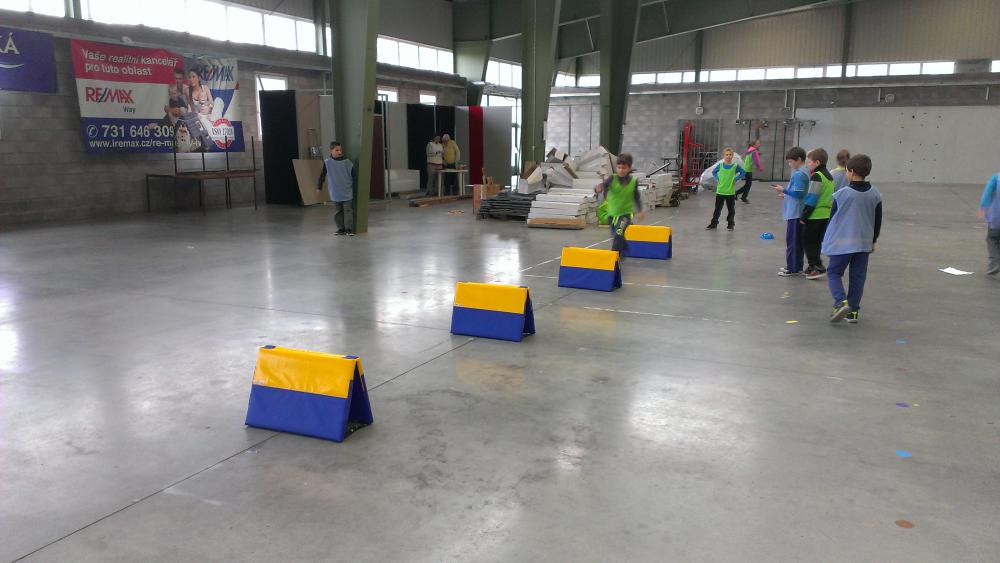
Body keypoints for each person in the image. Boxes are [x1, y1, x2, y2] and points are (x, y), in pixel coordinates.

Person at [823, 154, 882, 323]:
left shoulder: (841, 194)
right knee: (858, 277)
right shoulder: (875, 194)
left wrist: (827, 238)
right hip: (864, 243)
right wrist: (873, 240)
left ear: (852, 172)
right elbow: (877, 220)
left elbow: (832, 219)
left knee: (834, 272)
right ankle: (853, 311)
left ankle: (840, 302)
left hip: (842, 242)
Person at [771, 147, 810, 276]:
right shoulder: (804, 172)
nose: (790, 164)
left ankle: (792, 267)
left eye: (791, 161)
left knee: (793, 242)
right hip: (798, 211)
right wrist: (786, 195)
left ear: (798, 159)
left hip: (795, 213)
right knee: (797, 241)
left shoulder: (799, 174)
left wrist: (783, 190)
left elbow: (798, 194)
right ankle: (797, 266)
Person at [595, 153, 644, 255]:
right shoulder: (612, 179)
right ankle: (624, 247)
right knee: (617, 235)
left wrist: (640, 210)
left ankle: (613, 257)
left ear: (629, 168)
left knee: (618, 232)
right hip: (612, 214)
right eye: (619, 167)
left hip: (626, 214)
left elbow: (636, 196)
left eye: (624, 168)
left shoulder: (633, 181)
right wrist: (598, 189)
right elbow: (603, 186)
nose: (621, 170)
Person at [801, 148, 836, 280]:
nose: (807, 164)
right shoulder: (829, 176)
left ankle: (817, 266)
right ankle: (813, 266)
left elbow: (812, 197)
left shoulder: (817, 176)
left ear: (817, 162)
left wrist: (804, 215)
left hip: (814, 215)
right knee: (816, 242)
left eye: (809, 162)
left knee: (809, 242)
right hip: (825, 215)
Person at [317, 141, 357, 236]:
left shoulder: (347, 162)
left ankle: (348, 229)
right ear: (331, 151)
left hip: (346, 191)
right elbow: (322, 175)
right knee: (338, 212)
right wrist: (319, 186)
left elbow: (354, 175)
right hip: (335, 192)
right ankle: (341, 229)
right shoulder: (327, 163)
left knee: (348, 211)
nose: (339, 152)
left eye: (340, 150)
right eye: (337, 150)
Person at [705, 147, 745, 230]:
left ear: (732, 156)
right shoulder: (720, 165)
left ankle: (730, 224)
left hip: (730, 192)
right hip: (720, 192)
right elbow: (714, 172)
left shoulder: (735, 166)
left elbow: (743, 172)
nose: (728, 156)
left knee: (731, 210)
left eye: (730, 155)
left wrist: (736, 178)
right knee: (717, 209)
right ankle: (714, 224)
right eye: (727, 154)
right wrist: (717, 178)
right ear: (724, 156)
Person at [977, 170, 1000, 275]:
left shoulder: (996, 178)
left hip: (996, 219)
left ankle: (995, 262)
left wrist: (982, 208)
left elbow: (987, 194)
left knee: (992, 239)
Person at [735, 139, 763, 203]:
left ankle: (743, 197)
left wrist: (758, 153)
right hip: (748, 170)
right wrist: (760, 167)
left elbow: (752, 156)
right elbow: (756, 161)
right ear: (754, 144)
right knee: (748, 185)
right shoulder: (754, 151)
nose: (759, 144)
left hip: (746, 169)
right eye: (758, 143)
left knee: (748, 185)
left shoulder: (750, 150)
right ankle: (738, 194)